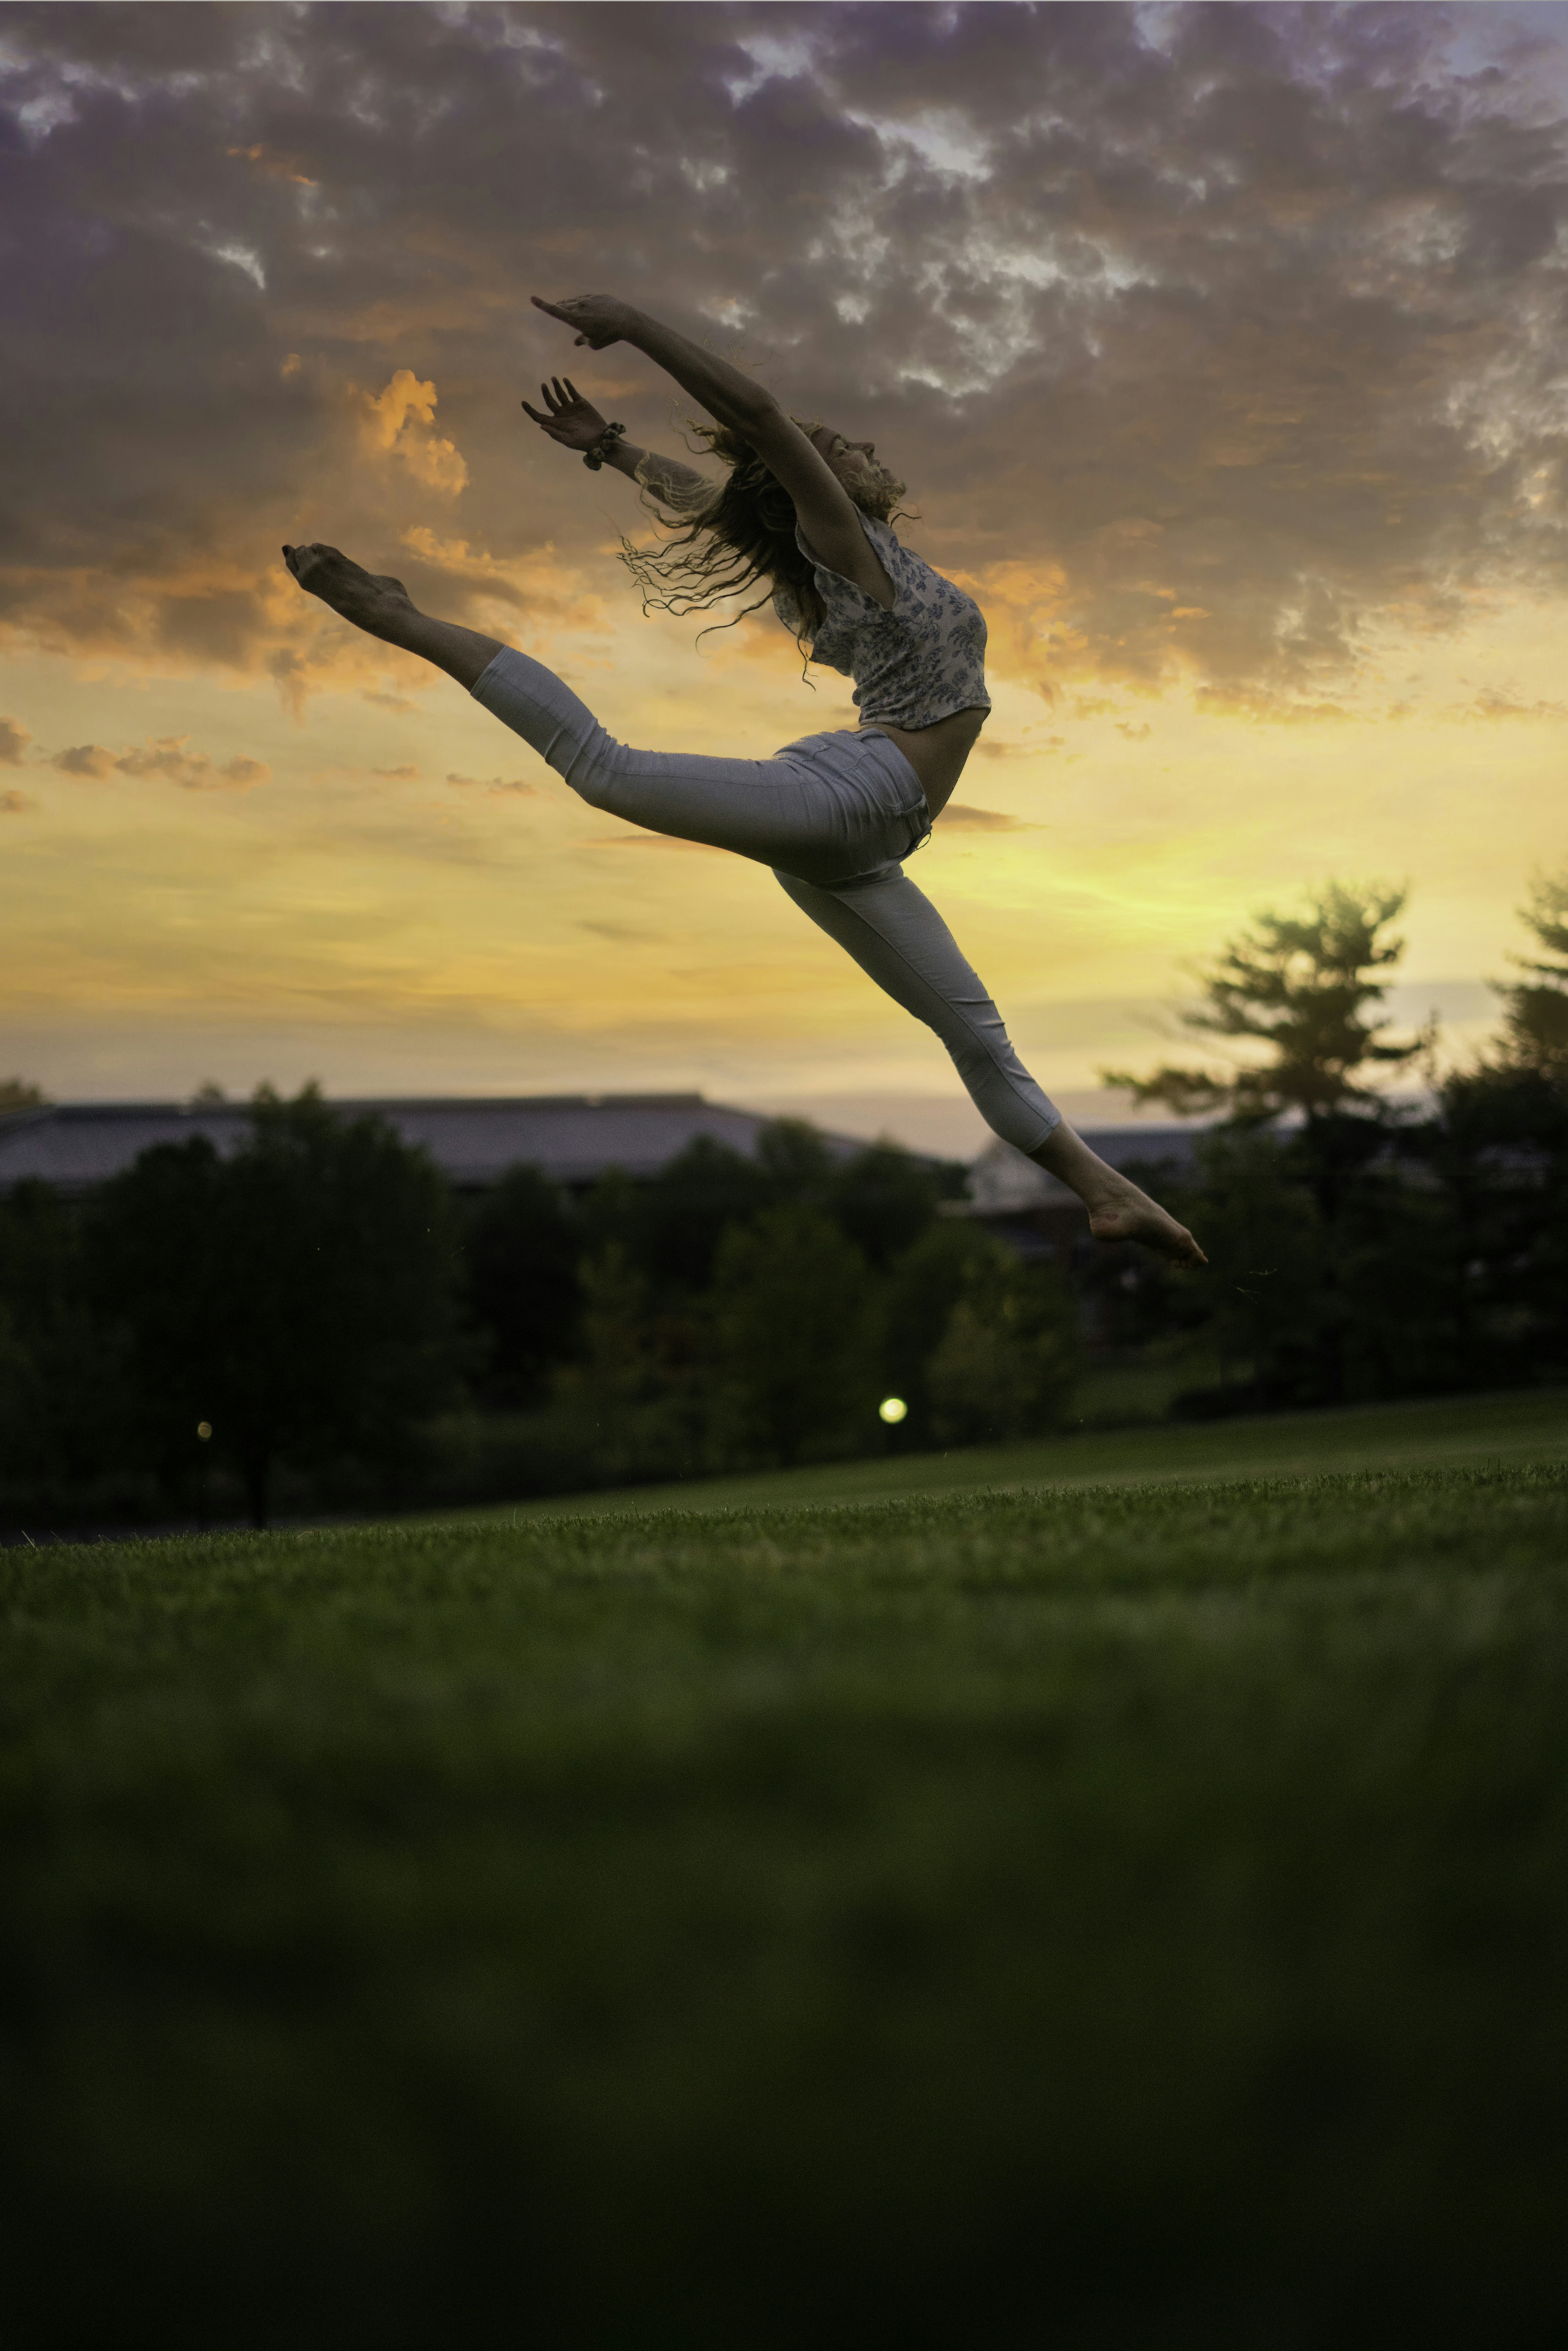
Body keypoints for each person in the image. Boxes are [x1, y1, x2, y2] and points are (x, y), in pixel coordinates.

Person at [284, 292, 1205, 1264]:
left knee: (976, 1032)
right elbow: (760, 420)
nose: (852, 446)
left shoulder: (850, 555)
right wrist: (635, 326)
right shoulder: (846, 540)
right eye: (834, 447)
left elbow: (719, 511)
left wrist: (615, 449)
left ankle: (1105, 1193)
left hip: (864, 841)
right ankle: (400, 616)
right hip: (856, 793)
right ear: (814, 482)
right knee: (606, 773)